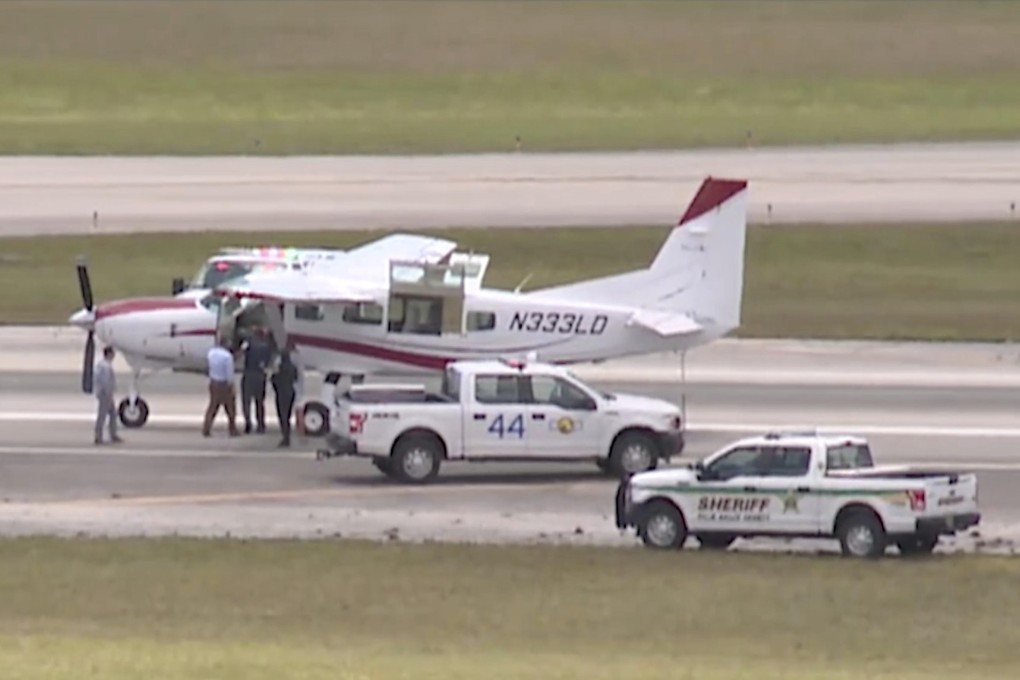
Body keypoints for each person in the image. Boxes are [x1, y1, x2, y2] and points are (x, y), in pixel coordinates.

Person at [202, 336, 239, 437]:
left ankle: (206, 429)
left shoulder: (211, 353)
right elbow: (229, 374)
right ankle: (232, 429)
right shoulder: (227, 357)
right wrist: (232, 386)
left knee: (212, 407)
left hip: (213, 383)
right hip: (224, 385)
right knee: (231, 408)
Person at [240, 326, 273, 434]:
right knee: (259, 402)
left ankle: (248, 423)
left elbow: (240, 353)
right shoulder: (267, 346)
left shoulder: (248, 344)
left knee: (246, 401)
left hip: (249, 373)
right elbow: (269, 362)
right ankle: (261, 424)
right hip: (260, 375)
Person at [271, 344, 300, 447]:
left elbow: (273, 380)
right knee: (287, 415)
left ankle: (285, 437)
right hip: (290, 391)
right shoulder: (293, 367)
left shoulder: (279, 368)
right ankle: (287, 435)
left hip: (281, 393)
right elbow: (296, 379)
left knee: (282, 415)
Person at [93, 346, 123, 445]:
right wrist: (108, 392)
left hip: (105, 393)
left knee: (113, 414)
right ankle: (98, 437)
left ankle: (113, 434)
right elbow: (106, 381)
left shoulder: (102, 365)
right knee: (102, 415)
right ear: (109, 354)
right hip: (105, 394)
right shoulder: (106, 366)